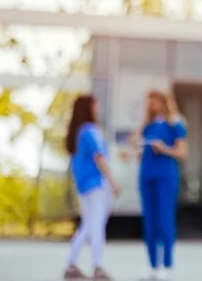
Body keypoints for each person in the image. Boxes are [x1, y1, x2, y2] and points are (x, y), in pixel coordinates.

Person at [131, 90, 188, 281]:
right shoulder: (148, 125)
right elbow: (133, 141)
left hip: (166, 177)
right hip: (146, 177)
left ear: (164, 102)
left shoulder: (176, 123)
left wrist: (164, 149)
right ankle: (152, 265)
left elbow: (182, 153)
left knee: (164, 221)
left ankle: (167, 265)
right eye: (148, 103)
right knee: (150, 222)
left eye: (154, 102)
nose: (150, 106)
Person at [63, 94, 121, 281]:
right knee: (96, 226)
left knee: (87, 226)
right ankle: (98, 267)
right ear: (89, 107)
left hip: (83, 185)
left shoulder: (77, 132)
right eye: (95, 104)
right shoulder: (90, 131)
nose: (97, 107)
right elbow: (99, 157)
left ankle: (70, 265)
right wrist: (113, 182)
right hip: (96, 184)